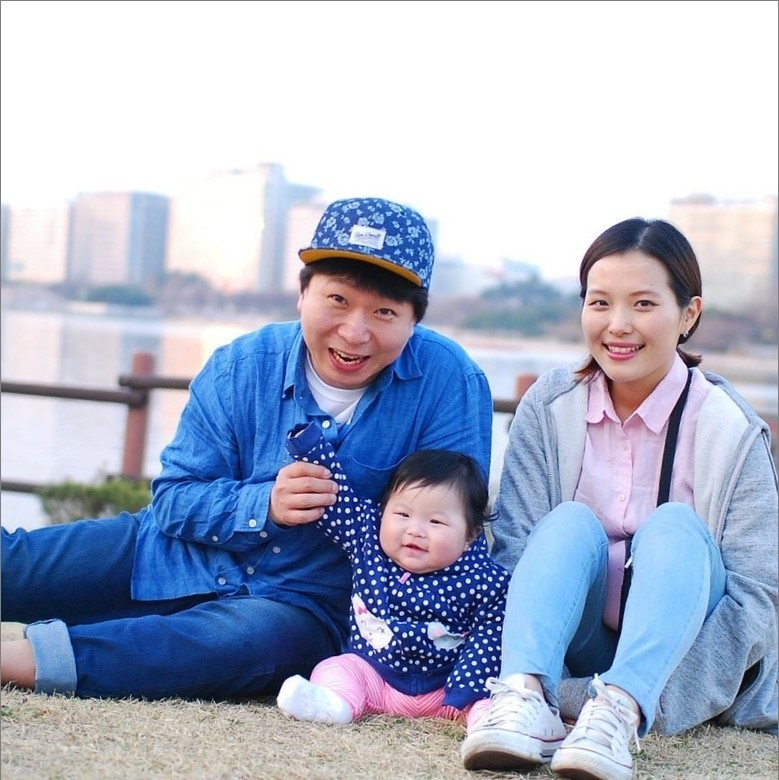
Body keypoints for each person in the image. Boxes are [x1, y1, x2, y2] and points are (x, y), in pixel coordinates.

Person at [0, 196, 494, 702]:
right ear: (303, 294)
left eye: (384, 312)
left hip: (303, 606)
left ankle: (17, 661)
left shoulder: (448, 383)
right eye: (338, 300)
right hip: (172, 551)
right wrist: (265, 505)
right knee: (22, 565)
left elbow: (454, 533)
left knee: (231, 643)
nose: (354, 332)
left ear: (415, 321)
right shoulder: (242, 364)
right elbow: (173, 499)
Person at [460, 218, 778, 780]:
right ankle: (523, 697)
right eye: (600, 302)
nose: (618, 325)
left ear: (689, 314)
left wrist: (641, 699)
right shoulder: (550, 408)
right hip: (571, 645)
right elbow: (514, 553)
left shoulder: (731, 429)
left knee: (675, 526)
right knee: (565, 524)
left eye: (644, 304)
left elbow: (756, 599)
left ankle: (621, 712)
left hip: (680, 655)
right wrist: (561, 685)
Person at [274, 421, 510, 727]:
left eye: (436, 522)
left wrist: (464, 690)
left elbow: (488, 639)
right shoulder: (368, 539)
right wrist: (309, 448)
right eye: (402, 514)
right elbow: (337, 497)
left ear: (471, 535)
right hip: (377, 677)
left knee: (490, 694)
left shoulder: (485, 580)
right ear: (383, 512)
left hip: (446, 687)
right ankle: (335, 704)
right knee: (339, 667)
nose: (415, 530)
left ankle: (488, 726)